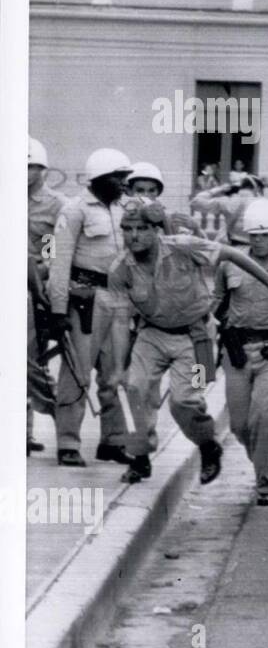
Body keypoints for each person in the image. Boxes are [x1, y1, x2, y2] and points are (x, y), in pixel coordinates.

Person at [110, 200, 268, 485]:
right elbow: (121, 321)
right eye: (128, 229)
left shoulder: (183, 245)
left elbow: (232, 254)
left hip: (194, 337)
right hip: (152, 334)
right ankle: (140, 457)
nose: (134, 236)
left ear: (157, 230)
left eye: (142, 229)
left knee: (185, 400)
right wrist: (119, 366)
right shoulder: (120, 269)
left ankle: (208, 446)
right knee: (135, 387)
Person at [46, 148, 135, 467]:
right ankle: (68, 442)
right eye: (118, 177)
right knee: (77, 371)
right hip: (86, 299)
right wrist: (58, 311)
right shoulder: (74, 210)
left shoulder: (127, 209)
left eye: (125, 177)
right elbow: (59, 262)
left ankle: (113, 440)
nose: (124, 183)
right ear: (99, 178)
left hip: (120, 298)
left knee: (117, 374)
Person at [213, 199, 268, 506]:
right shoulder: (230, 264)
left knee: (265, 418)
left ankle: (266, 487)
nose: (258, 240)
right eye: (253, 235)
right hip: (237, 351)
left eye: (265, 234)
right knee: (240, 425)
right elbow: (216, 304)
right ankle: (262, 463)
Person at [28, 137, 67, 454]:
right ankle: (20, 432)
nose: (25, 173)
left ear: (43, 169)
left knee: (31, 359)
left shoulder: (56, 204)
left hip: (35, 287)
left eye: (31, 167)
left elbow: (57, 250)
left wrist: (45, 276)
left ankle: (57, 412)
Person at [190, 170, 268, 245]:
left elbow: (195, 202)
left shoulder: (228, 201)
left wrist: (219, 189)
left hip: (233, 248)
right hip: (259, 249)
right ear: (258, 189)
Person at [126, 162, 203, 234]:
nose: (146, 195)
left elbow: (182, 241)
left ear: (158, 192)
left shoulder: (167, 216)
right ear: (129, 191)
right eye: (140, 190)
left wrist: (195, 229)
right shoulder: (120, 216)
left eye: (152, 190)